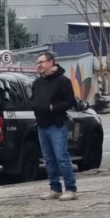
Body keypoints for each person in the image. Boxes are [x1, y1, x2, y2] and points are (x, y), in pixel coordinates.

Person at [31, 51, 78, 201]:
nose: (39, 65)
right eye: (38, 63)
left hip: (56, 125)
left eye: (42, 62)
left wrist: (53, 107)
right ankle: (54, 188)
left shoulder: (63, 81)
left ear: (51, 63)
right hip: (42, 125)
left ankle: (70, 189)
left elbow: (70, 101)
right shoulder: (37, 83)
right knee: (48, 159)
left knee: (61, 157)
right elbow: (32, 100)